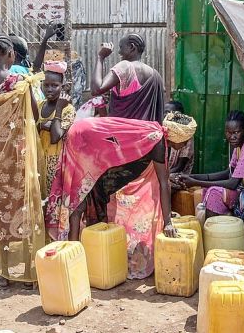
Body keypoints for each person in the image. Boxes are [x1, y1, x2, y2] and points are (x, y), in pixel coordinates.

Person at [45, 114, 196, 278]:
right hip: (86, 136)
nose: (186, 144)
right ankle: (72, 256)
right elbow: (164, 183)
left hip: (88, 132)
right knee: (79, 197)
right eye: (186, 140)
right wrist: (168, 223)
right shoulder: (158, 142)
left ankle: (88, 255)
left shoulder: (154, 131)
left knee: (89, 195)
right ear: (178, 136)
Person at [0, 34, 46, 287]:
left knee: (0, 206)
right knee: (24, 203)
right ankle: (28, 273)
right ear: (10, 55)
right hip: (18, 151)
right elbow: (35, 113)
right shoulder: (19, 81)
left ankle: (5, 273)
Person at [179, 110, 244, 226]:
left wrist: (196, 182)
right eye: (228, 132)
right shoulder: (240, 143)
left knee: (214, 193)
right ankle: (218, 232)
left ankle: (215, 234)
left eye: (236, 132)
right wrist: (191, 177)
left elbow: (233, 183)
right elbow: (228, 173)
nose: (232, 137)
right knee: (209, 190)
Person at [92, 34, 165, 122]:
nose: (119, 52)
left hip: (123, 131)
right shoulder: (155, 75)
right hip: (148, 132)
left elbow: (96, 90)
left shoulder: (125, 66)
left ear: (131, 47)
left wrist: (100, 57)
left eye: (121, 47)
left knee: (79, 128)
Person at [37, 60, 75, 197]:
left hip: (56, 163)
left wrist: (58, 109)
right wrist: (41, 126)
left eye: (55, 85)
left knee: (53, 199)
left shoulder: (67, 110)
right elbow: (32, 130)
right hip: (39, 161)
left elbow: (55, 137)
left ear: (62, 87)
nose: (50, 89)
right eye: (46, 85)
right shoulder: (40, 106)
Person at [165, 100, 194, 176]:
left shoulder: (186, 134)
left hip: (177, 174)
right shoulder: (163, 130)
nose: (165, 115)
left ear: (179, 116)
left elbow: (180, 167)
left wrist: (163, 175)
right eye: (164, 112)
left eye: (168, 112)